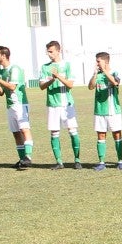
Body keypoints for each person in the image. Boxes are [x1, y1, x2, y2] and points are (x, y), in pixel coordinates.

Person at [0, 46, 33, 169]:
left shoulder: (15, 69)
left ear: (4, 55)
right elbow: (1, 92)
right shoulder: (1, 72)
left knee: (24, 130)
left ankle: (28, 156)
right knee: (16, 133)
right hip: (10, 105)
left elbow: (12, 87)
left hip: (20, 104)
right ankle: (22, 159)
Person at [39, 40, 81, 170]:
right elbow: (41, 86)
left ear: (59, 51)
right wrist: (52, 79)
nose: (49, 54)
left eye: (51, 51)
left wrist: (58, 76)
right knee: (54, 132)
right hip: (52, 104)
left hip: (67, 104)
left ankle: (77, 160)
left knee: (72, 131)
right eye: (48, 52)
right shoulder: (45, 67)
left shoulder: (67, 65)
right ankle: (59, 162)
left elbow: (70, 85)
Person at [88, 51, 122, 171]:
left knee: (117, 135)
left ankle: (120, 161)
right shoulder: (97, 74)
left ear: (106, 61)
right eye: (96, 61)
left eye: (98, 61)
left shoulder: (114, 72)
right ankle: (102, 162)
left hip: (113, 110)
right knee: (101, 135)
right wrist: (94, 75)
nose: (97, 63)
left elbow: (115, 82)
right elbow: (91, 87)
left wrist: (104, 71)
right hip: (100, 110)